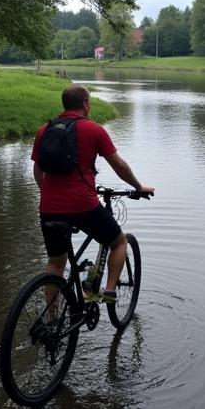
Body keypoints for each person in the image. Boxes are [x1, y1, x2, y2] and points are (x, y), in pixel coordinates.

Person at [31, 85, 154, 303]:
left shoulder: (44, 130)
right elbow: (120, 165)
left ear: (65, 104)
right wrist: (138, 186)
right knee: (119, 242)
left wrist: (50, 195)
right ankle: (109, 291)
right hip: (82, 205)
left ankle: (50, 323)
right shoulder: (93, 129)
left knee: (56, 263)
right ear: (86, 104)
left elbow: (38, 170)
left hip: (49, 208)